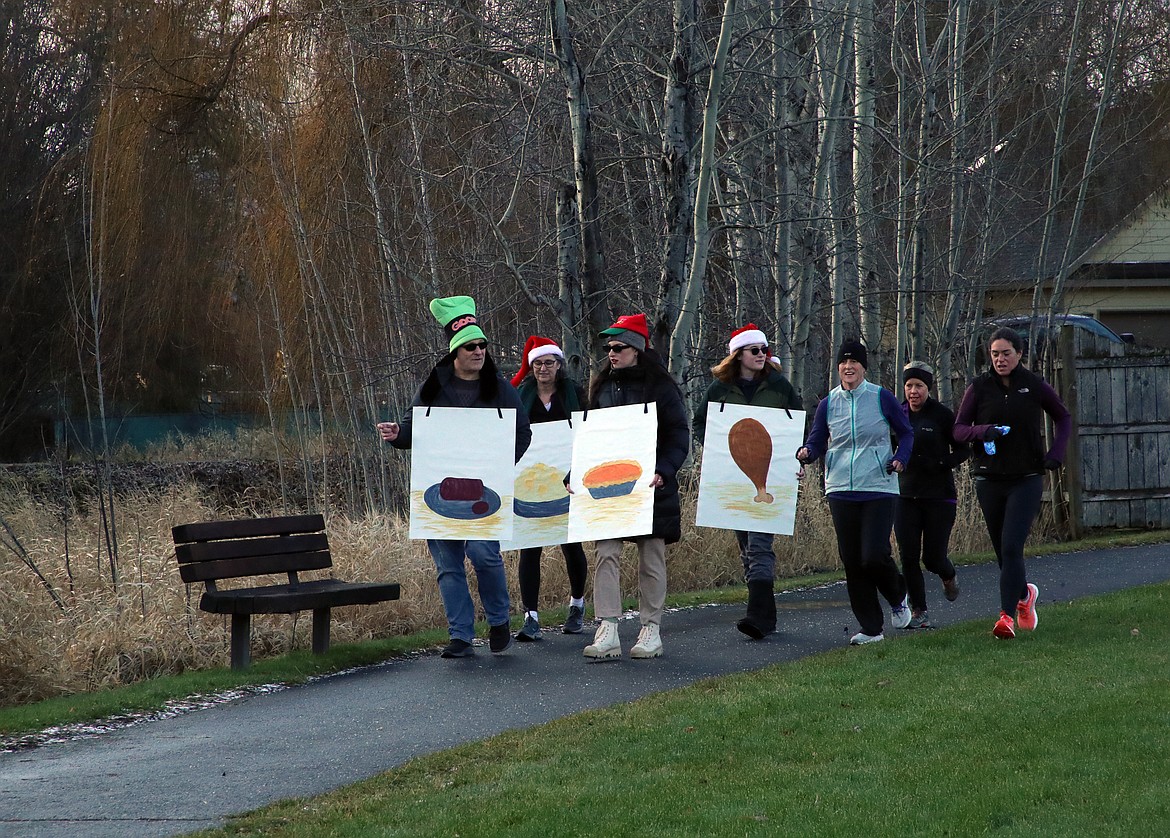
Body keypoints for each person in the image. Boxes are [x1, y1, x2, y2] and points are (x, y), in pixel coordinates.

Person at [377, 295, 531, 659]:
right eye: (471, 347)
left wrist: (498, 466)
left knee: (484, 556)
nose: (479, 351)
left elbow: (522, 433)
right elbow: (415, 430)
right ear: (455, 352)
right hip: (441, 493)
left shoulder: (500, 388)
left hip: (484, 494)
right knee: (448, 565)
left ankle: (498, 621)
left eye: (482, 345)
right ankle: (461, 635)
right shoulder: (433, 387)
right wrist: (396, 434)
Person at [582, 313, 690, 660]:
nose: (611, 353)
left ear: (637, 349)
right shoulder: (600, 387)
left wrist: (664, 471)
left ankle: (651, 629)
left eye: (619, 347)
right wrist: (577, 472)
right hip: (610, 487)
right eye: (609, 347)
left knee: (651, 557)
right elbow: (589, 438)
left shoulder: (661, 387)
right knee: (606, 553)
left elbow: (678, 434)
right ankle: (608, 628)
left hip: (652, 486)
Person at [952, 326, 1071, 639]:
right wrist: (982, 431)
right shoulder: (979, 387)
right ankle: (1024, 596)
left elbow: (1063, 417)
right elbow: (959, 429)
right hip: (989, 478)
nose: (1000, 359)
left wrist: (1055, 453)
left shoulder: (1033, 385)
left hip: (1026, 477)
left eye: (1006, 353)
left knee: (1011, 546)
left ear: (1019, 354)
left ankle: (1005, 617)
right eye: (995, 354)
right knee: (1002, 552)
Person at [796, 338, 914, 645]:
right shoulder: (828, 403)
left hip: (878, 485)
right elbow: (818, 440)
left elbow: (906, 432)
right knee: (852, 560)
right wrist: (807, 452)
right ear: (838, 368)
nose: (849, 368)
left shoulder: (881, 397)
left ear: (863, 367)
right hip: (840, 489)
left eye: (855, 363)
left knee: (873, 556)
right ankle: (871, 628)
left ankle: (898, 595)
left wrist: (900, 458)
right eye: (844, 363)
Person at [693, 323, 803, 639]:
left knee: (759, 545)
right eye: (755, 350)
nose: (761, 355)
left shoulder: (779, 386)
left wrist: (798, 457)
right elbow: (700, 423)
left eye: (764, 350)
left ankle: (759, 616)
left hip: (772, 479)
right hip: (734, 479)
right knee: (746, 547)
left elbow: (797, 426)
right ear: (738, 355)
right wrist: (714, 451)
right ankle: (764, 611)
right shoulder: (719, 389)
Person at [509, 335, 590, 640]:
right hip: (530, 485)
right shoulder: (520, 397)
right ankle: (530, 616)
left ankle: (577, 605)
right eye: (538, 363)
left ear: (559, 365)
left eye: (549, 363)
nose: (543, 368)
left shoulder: (575, 394)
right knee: (529, 549)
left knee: (572, 545)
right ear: (531, 367)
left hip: (568, 480)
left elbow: (587, 431)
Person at [894, 361, 968, 630]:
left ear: (929, 388)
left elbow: (963, 450)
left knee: (933, 558)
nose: (913, 391)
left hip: (939, 497)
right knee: (908, 556)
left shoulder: (942, 415)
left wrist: (939, 464)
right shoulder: (898, 414)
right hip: (904, 496)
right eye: (909, 386)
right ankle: (919, 611)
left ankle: (948, 575)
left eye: (919, 386)